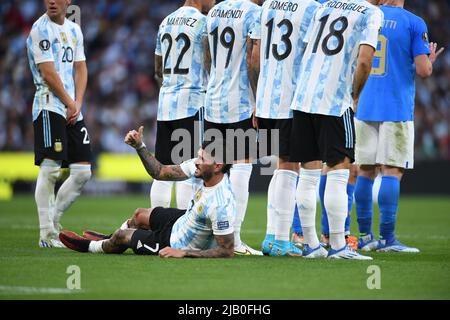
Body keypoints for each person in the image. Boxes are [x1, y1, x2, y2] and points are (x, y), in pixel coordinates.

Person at [289, 0, 383, 260]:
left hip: (303, 99)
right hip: (334, 101)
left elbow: (305, 50)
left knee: (307, 175)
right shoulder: (370, 13)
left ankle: (310, 245)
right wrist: (354, 95)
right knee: (340, 172)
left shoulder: (325, 6)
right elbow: (365, 61)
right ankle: (339, 247)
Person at [59, 126, 236, 258]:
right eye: (198, 155)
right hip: (182, 221)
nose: (196, 161)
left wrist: (184, 253)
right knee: (139, 215)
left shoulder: (221, 203)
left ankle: (91, 246)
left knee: (122, 236)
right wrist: (139, 146)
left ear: (218, 166)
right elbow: (160, 172)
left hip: (174, 242)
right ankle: (108, 239)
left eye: (201, 158)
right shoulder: (204, 169)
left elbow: (226, 251)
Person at [354, 0, 444, 252]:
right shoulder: (413, 22)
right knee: (392, 171)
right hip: (395, 107)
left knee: (365, 171)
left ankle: (364, 237)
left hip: (364, 106)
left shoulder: (366, 16)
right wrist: (431, 60)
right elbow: (424, 70)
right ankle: (387, 239)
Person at [252, 0, 321, 256]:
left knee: (282, 165)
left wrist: (258, 98)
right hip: (293, 98)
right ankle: (280, 239)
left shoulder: (268, 4)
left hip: (268, 97)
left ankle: (273, 236)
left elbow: (256, 56)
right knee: (290, 167)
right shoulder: (311, 8)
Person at [26, 0, 92, 248]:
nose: (52, 1)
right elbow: (48, 73)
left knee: (83, 172)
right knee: (51, 169)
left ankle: (54, 221)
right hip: (48, 105)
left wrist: (78, 102)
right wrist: (70, 102)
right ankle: (46, 235)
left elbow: (81, 67)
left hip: (72, 108)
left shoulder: (74, 30)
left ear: (68, 2)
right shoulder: (39, 29)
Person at [203, 0, 263, 255]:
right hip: (239, 101)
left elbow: (207, 56)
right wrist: (258, 97)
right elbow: (253, 60)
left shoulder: (215, 11)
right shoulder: (254, 12)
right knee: (242, 165)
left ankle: (208, 234)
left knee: (211, 171)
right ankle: (234, 238)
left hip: (213, 99)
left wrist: (216, 80)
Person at [151, 0, 215, 211]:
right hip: (192, 105)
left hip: (166, 105)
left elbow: (158, 69)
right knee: (189, 170)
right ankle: (179, 229)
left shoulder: (165, 21)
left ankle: (156, 226)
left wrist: (170, 88)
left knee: (161, 172)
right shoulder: (203, 22)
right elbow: (209, 64)